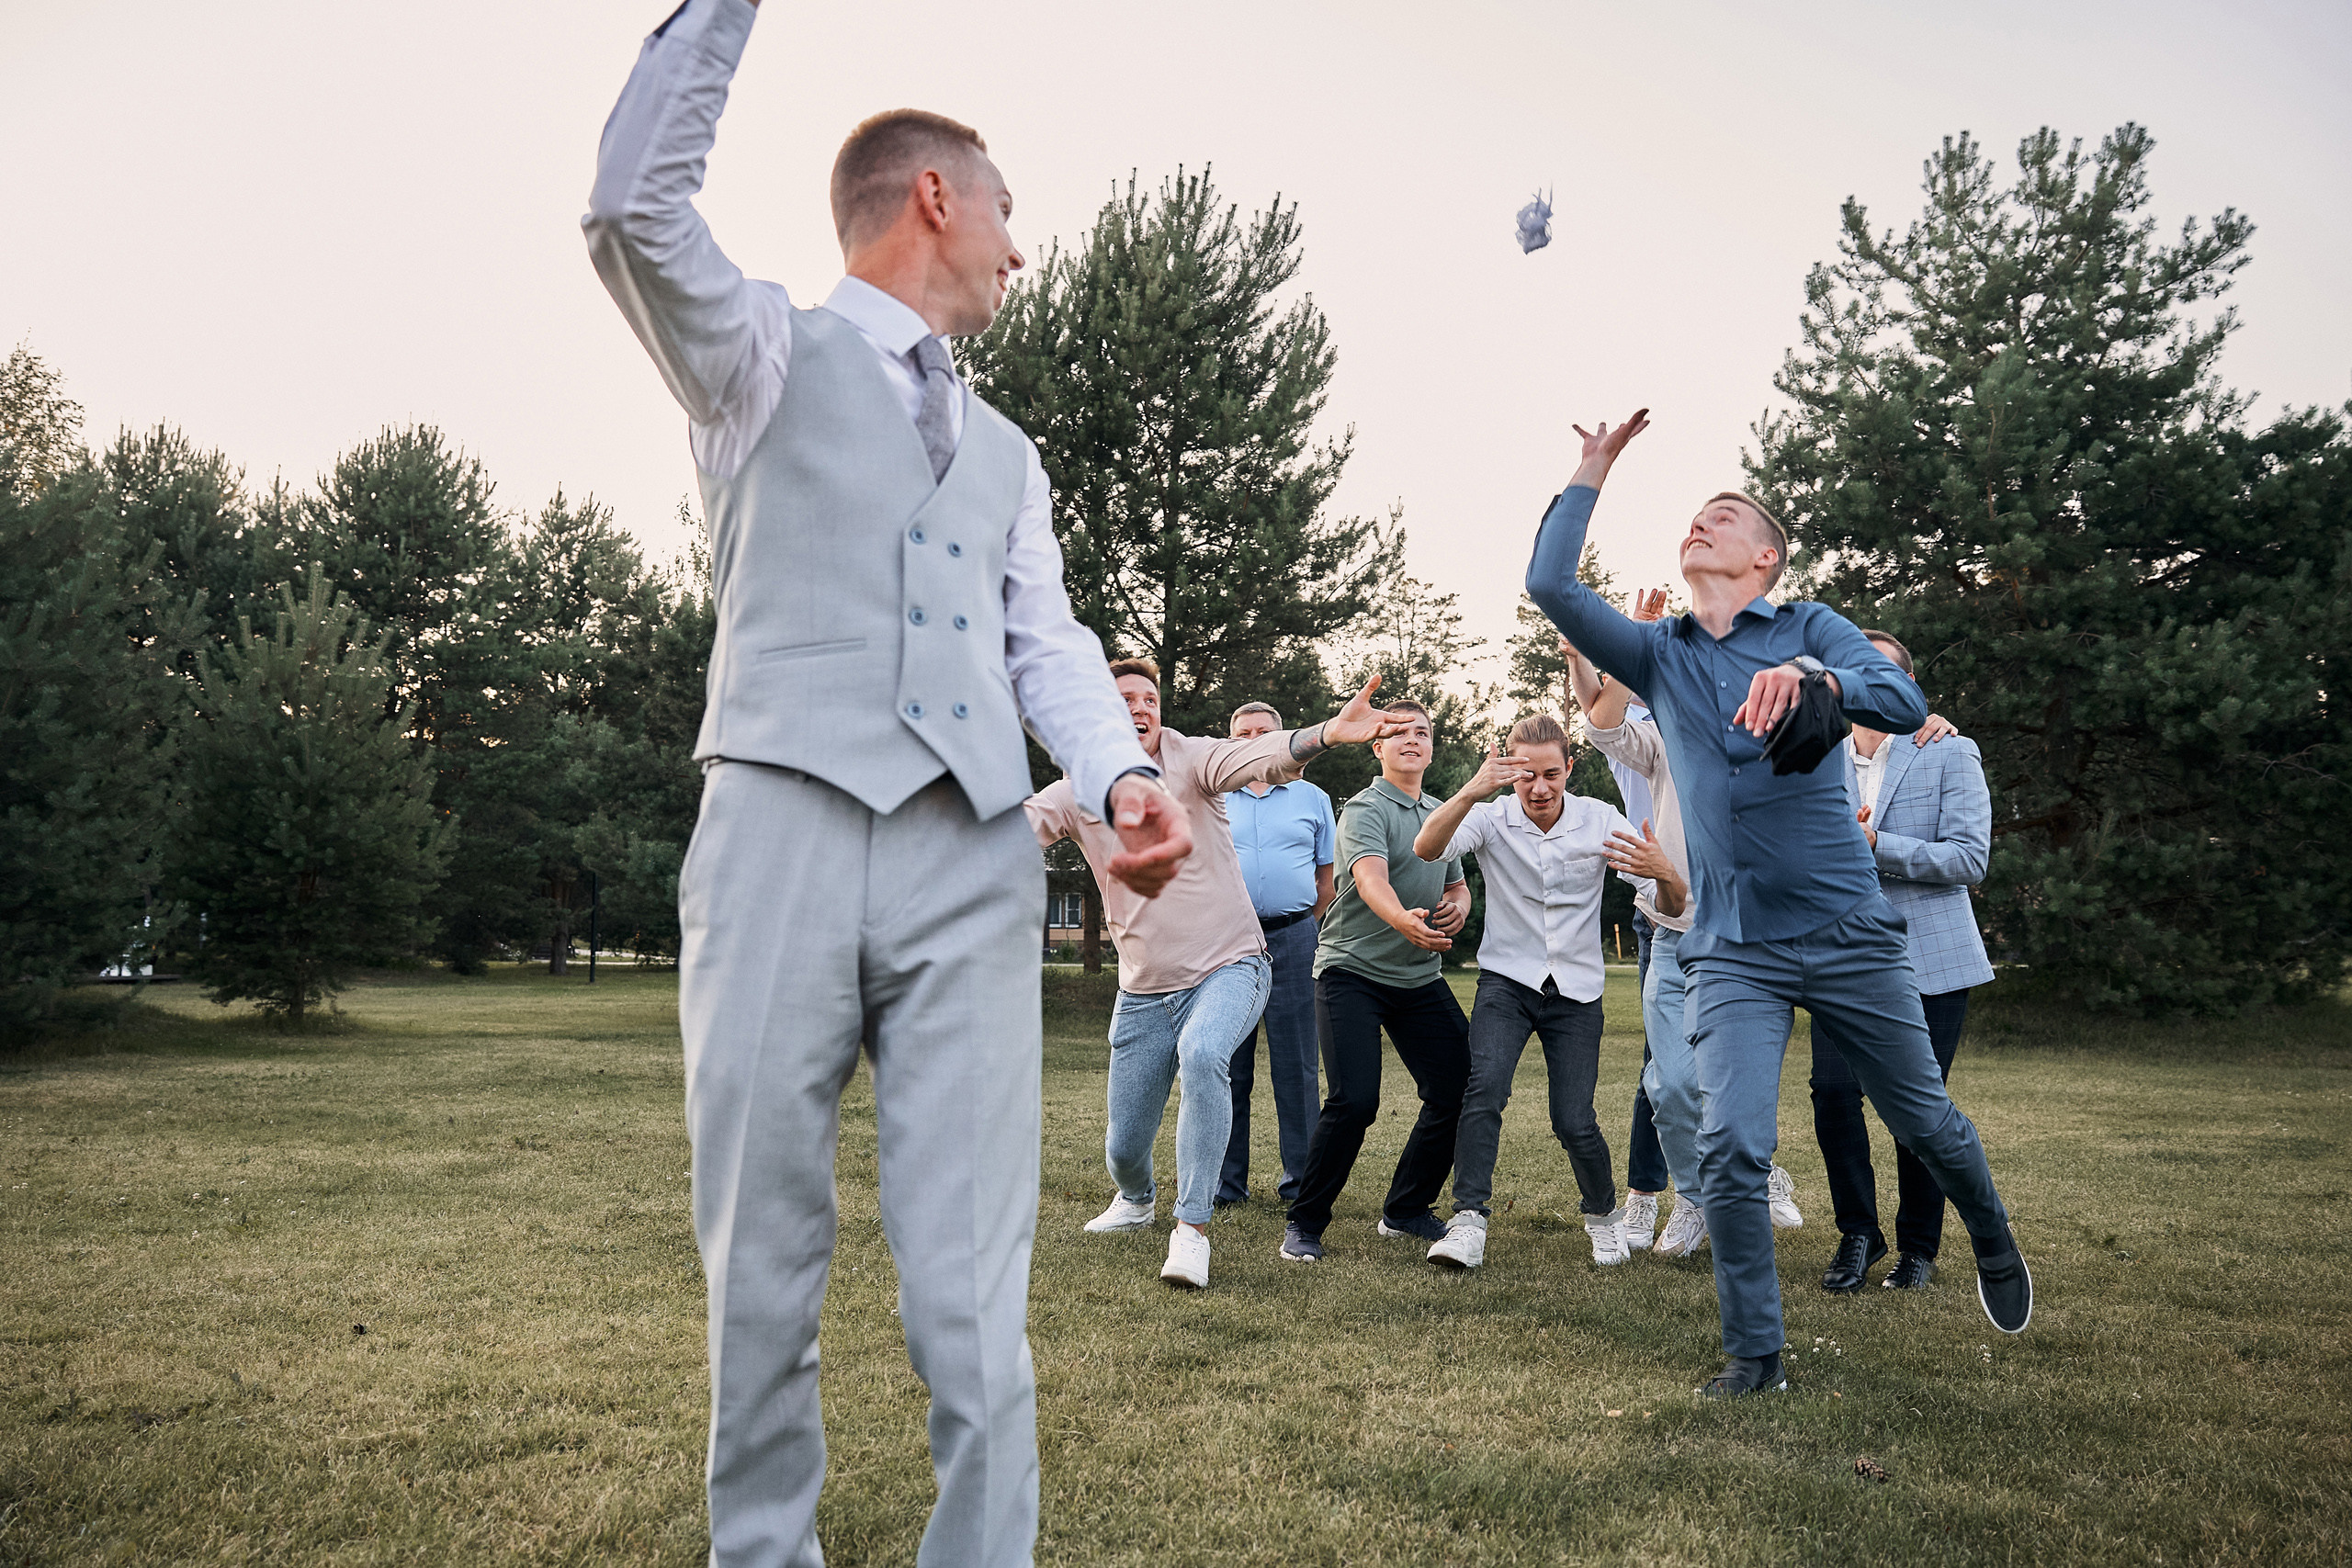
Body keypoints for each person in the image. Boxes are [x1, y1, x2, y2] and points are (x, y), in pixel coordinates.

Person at [585, 6, 1197, 1560]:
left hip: (971, 861)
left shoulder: (1011, 451)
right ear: (935, 196)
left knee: (976, 1275)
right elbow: (628, 208)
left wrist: (1120, 775)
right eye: (1009, 210)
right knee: (763, 1260)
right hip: (779, 827)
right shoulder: (759, 350)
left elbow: (1043, 637)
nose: (1020, 248)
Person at [1525, 408, 2032, 1401]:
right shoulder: (1659, 654)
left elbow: (1893, 696)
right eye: (1695, 515)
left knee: (1924, 1118)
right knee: (1729, 1143)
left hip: (1848, 934)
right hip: (1731, 946)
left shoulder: (1806, 626)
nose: (1700, 523)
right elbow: (1547, 586)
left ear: (1763, 558)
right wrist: (1590, 469)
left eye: (1723, 516)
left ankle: (1993, 1234)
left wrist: (1810, 679)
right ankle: (1754, 1354)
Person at [1026, 663, 1400, 1291]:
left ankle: (1191, 1230)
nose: (1141, 707)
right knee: (1123, 1143)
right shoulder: (1078, 787)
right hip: (1143, 987)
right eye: (1125, 699)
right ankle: (1137, 1197)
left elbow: (1260, 757)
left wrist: (1329, 733)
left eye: (1150, 697)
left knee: (1204, 1055)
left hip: (1232, 964)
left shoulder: (1192, 759)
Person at [1565, 637, 1813, 1260]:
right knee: (1669, 1081)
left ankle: (1748, 1179)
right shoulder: (1663, 737)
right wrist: (1601, 654)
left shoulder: (1782, 743)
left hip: (1751, 943)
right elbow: (1601, 725)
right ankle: (1697, 1194)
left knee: (1737, 1079)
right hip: (1673, 933)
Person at [1408, 716, 1666, 1269]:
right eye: (1525, 775)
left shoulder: (1599, 819)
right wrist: (1473, 789)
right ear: (1509, 770)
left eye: (1551, 774)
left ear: (1570, 768)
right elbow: (1427, 847)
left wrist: (1663, 873)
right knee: (1484, 1092)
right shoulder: (1490, 816)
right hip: (1507, 981)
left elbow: (1653, 884)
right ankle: (1469, 1221)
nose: (1540, 787)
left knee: (1573, 1118)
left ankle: (1604, 1218)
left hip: (1576, 990)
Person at [1810, 630, 1996, 1293]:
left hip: (1931, 960)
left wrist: (1875, 842)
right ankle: (1858, 1233)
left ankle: (1920, 1246)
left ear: (1907, 690)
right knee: (1833, 1097)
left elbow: (1969, 859)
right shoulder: (1814, 753)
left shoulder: (1946, 750)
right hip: (1840, 956)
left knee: (1919, 1112)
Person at [1279, 702, 1475, 1263]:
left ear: (1432, 747)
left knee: (1459, 1086)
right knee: (1355, 1100)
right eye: (1398, 733)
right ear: (1378, 748)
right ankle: (1305, 1223)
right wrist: (1404, 921)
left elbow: (1456, 882)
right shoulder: (1364, 809)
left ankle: (1407, 1210)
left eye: (1422, 732)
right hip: (1351, 971)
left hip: (1417, 977)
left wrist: (1458, 905)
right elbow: (1370, 880)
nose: (1411, 740)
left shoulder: (1442, 812)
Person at [1217, 701, 1338, 1209]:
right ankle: (1224, 1186)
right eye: (1244, 732)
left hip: (1294, 939)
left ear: (1281, 736)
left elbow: (1325, 881)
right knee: (1226, 1065)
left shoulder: (1312, 798)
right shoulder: (1213, 796)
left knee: (1297, 1067)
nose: (1254, 737)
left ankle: (1300, 1185)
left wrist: (1303, 929)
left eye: (1264, 731)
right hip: (1225, 942)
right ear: (1231, 741)